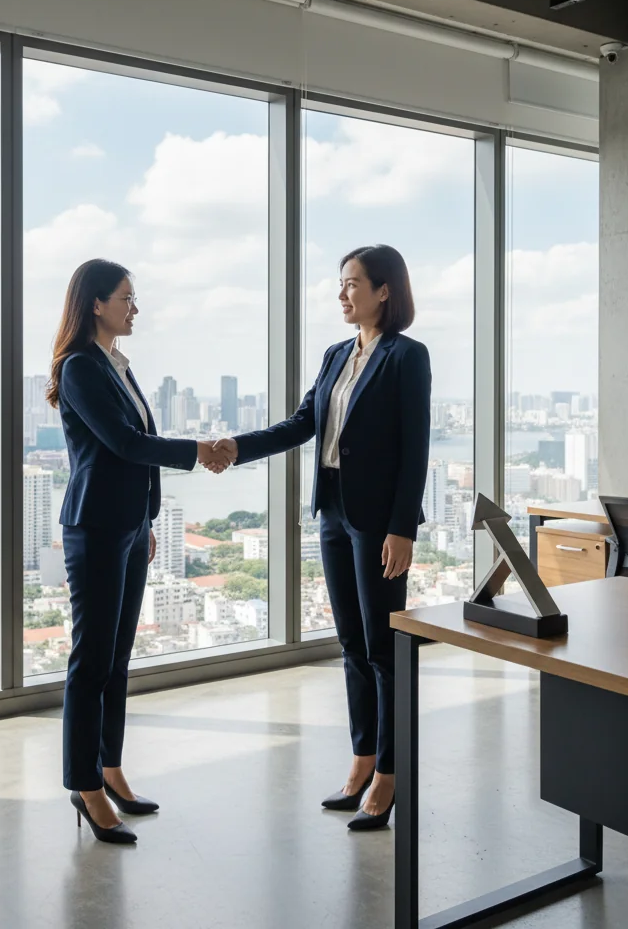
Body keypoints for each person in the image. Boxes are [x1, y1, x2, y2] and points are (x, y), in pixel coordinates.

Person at [214, 245, 430, 831]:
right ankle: (362, 758)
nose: (342, 294)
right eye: (341, 284)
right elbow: (304, 422)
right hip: (333, 511)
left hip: (378, 519)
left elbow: (416, 449)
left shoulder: (407, 357)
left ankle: (391, 772)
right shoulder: (337, 354)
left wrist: (402, 528)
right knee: (352, 645)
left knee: (384, 650)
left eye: (352, 283)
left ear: (384, 290)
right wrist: (238, 447)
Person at [48, 258, 229, 845]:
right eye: (126, 297)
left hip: (126, 527)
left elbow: (134, 451)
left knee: (118, 661)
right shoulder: (79, 367)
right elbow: (126, 444)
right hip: (95, 528)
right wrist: (197, 450)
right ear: (95, 304)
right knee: (91, 660)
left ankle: (110, 768)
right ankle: (84, 784)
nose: (134, 307)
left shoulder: (117, 366)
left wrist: (147, 519)